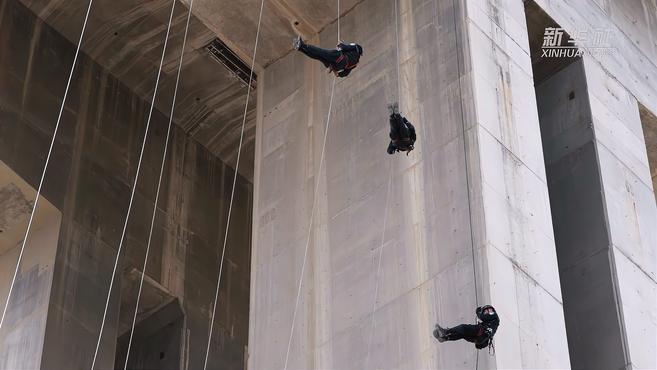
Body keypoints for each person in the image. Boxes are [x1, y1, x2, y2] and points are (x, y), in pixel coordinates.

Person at [433, 305, 499, 350]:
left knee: (463, 328)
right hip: (478, 338)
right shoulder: (489, 320)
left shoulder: (495, 319)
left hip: (480, 334)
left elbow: (485, 320)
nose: (489, 312)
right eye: (486, 311)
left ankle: (445, 332)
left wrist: (478, 312)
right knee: (462, 334)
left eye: (490, 310)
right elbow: (482, 317)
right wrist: (479, 313)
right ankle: (445, 338)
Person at [293, 36, 363, 77]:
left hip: (338, 57)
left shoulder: (355, 47)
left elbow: (345, 47)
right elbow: (346, 73)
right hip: (335, 66)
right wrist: (338, 74)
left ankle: (302, 45)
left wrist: (340, 45)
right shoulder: (355, 64)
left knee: (320, 52)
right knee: (318, 56)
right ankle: (300, 49)